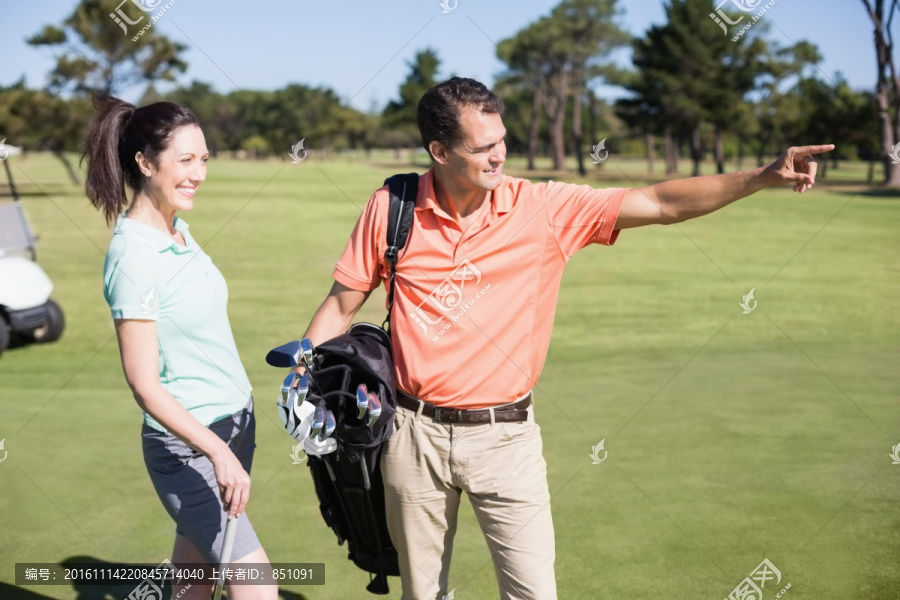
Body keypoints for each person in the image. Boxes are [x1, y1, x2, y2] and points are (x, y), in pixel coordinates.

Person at [298, 77, 832, 600]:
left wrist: (762, 175)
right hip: (413, 437)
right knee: (423, 593)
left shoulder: (544, 208)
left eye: (502, 139)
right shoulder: (391, 208)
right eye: (482, 147)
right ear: (439, 150)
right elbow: (341, 305)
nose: (499, 155)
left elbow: (660, 203)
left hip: (505, 438)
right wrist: (304, 379)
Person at [83, 97, 277, 600]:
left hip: (233, 428)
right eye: (186, 160)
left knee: (194, 582)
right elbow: (145, 386)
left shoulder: (179, 231)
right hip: (191, 448)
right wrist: (218, 454)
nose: (199, 174)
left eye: (204, 159)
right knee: (259, 587)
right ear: (146, 163)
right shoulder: (133, 256)